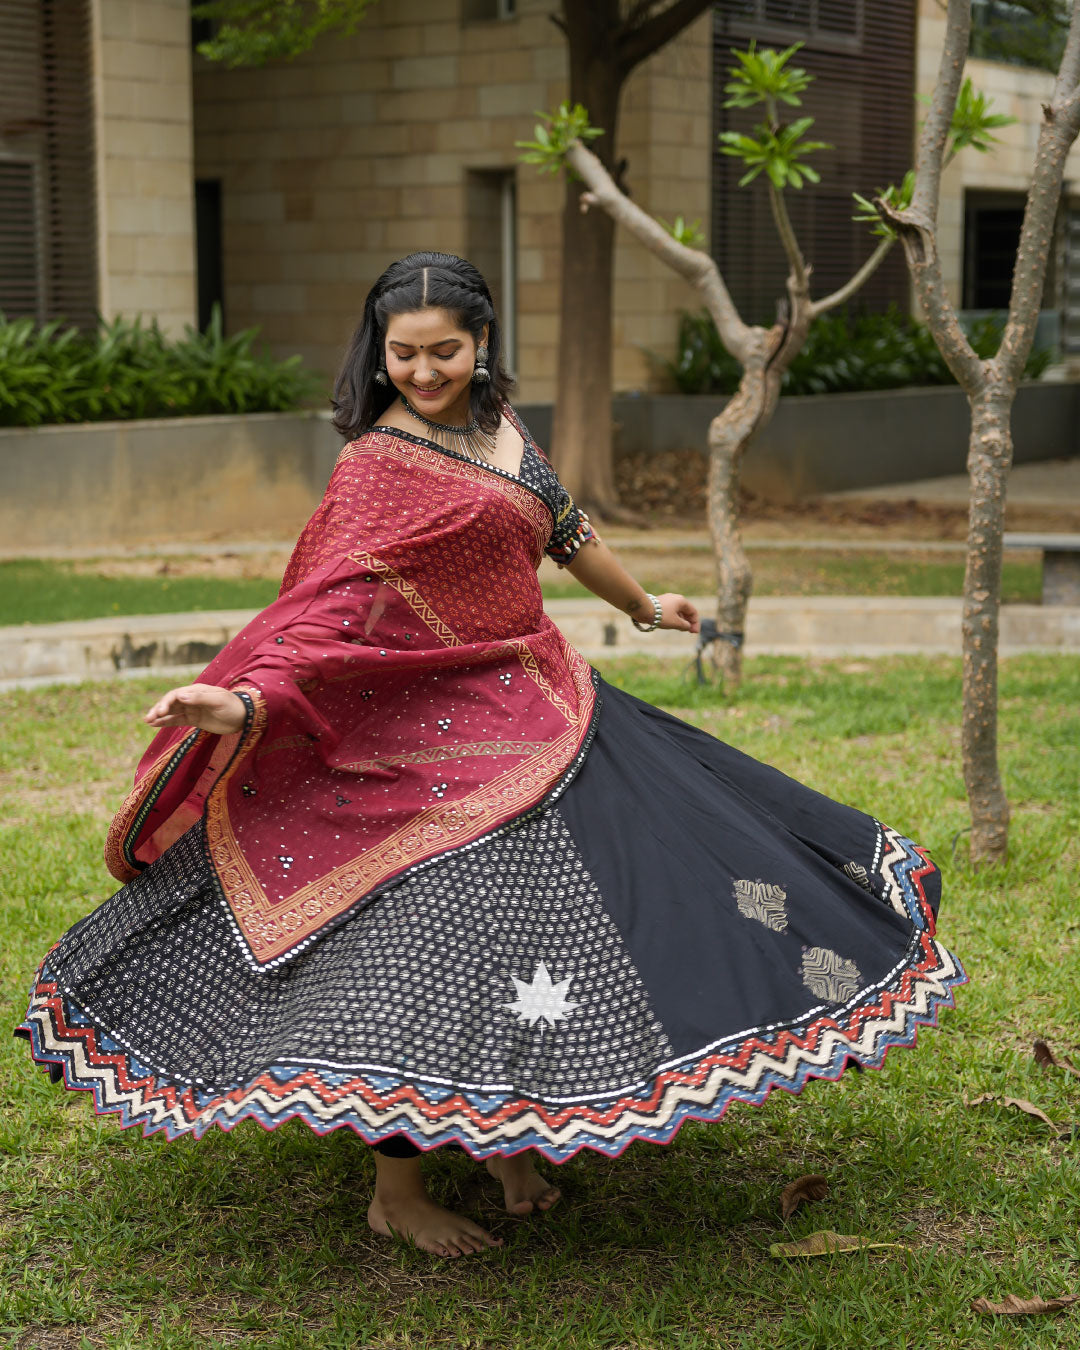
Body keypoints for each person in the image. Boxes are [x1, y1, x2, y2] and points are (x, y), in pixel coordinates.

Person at [17, 252, 965, 1259]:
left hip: (543, 705)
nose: (425, 371)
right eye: (405, 354)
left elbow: (565, 527)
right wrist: (250, 697)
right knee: (431, 948)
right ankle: (398, 1190)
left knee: (562, 921)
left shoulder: (501, 429)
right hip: (421, 734)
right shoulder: (375, 465)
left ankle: (508, 1134)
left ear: (481, 343)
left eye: (446, 350)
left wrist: (644, 604)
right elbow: (329, 608)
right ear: (378, 354)